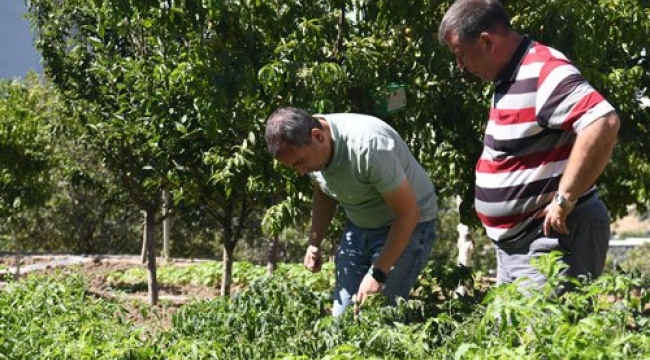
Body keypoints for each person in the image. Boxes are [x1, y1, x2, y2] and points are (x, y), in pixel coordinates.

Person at [438, 0, 620, 293]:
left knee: (546, 337)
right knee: (516, 337)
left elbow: (603, 122)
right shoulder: (510, 77)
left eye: (461, 55)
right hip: (519, 245)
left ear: (486, 41)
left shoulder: (544, 70)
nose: (460, 66)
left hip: (550, 240)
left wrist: (564, 199)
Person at [265, 107, 438, 316]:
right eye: (294, 166)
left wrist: (378, 273)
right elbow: (324, 189)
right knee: (343, 318)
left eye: (300, 163)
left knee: (382, 316)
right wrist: (314, 242)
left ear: (318, 136)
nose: (301, 172)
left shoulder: (368, 146)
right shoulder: (311, 149)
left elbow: (408, 213)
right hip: (359, 225)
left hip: (407, 224)